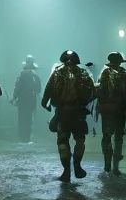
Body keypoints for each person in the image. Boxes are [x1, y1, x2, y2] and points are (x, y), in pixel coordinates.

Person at [41, 49, 96, 183]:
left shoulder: (57, 73)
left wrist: (45, 104)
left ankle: (66, 171)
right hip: (78, 112)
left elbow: (48, 90)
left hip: (62, 112)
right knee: (80, 140)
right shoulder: (83, 73)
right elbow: (93, 92)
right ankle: (77, 166)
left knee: (62, 141)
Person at [96, 51, 126, 176]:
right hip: (120, 110)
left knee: (107, 136)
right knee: (118, 138)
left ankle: (107, 165)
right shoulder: (124, 74)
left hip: (107, 110)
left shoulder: (104, 74)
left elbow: (99, 91)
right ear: (120, 62)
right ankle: (115, 167)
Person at [11, 55, 41, 143]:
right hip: (30, 100)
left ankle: (23, 138)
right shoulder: (35, 77)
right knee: (28, 119)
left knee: (22, 119)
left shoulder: (22, 76)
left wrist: (14, 98)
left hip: (23, 100)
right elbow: (38, 89)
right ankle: (26, 138)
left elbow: (17, 88)